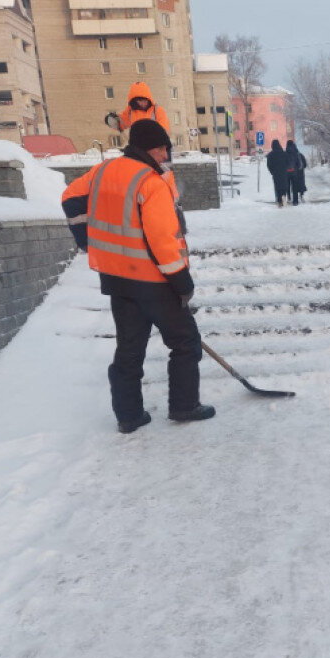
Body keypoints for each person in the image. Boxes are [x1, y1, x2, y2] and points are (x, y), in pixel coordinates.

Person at [61, 119, 214, 433]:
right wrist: (182, 281)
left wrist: (85, 239)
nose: (164, 156)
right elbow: (161, 240)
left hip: (118, 280)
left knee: (129, 350)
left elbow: (70, 198)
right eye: (162, 150)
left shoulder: (102, 171)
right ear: (152, 149)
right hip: (155, 282)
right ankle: (184, 406)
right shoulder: (150, 182)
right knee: (186, 343)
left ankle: (129, 416)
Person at [104, 81, 170, 135]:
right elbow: (122, 122)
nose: (143, 103)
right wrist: (113, 120)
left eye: (145, 100)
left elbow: (163, 130)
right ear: (135, 100)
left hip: (155, 146)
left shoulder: (157, 111)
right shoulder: (130, 111)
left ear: (149, 99)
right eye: (140, 101)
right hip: (138, 146)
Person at [266, 139, 288, 206]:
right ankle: (284, 197)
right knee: (284, 186)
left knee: (277, 187)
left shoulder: (270, 155)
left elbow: (269, 165)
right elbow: (288, 162)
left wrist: (272, 171)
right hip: (284, 172)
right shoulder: (284, 153)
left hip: (276, 173)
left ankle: (279, 201)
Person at [285, 140, 307, 205]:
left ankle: (288, 197)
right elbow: (302, 164)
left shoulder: (285, 153)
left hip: (286, 173)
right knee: (295, 187)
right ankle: (295, 201)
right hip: (295, 173)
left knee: (287, 185)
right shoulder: (297, 154)